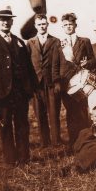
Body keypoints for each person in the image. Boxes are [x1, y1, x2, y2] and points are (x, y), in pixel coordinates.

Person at [0, 6, 37, 165]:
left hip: (20, 93)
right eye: (2, 19)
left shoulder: (19, 42)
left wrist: (31, 88)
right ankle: (10, 161)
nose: (5, 22)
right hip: (1, 93)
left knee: (22, 125)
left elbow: (28, 67)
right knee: (5, 127)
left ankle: (24, 159)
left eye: (8, 19)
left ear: (12, 21)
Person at [52, 13, 95, 151]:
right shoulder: (59, 43)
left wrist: (87, 63)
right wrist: (57, 82)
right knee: (71, 113)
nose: (68, 27)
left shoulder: (85, 41)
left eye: (70, 24)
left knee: (83, 111)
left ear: (75, 25)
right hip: (66, 84)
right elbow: (55, 65)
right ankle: (73, 143)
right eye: (65, 25)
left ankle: (86, 141)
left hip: (82, 81)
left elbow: (92, 60)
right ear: (62, 27)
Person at [26, 14, 62, 147]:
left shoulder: (55, 41)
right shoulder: (30, 42)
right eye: (39, 24)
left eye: (43, 24)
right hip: (36, 84)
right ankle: (44, 142)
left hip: (51, 82)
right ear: (35, 26)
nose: (42, 26)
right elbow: (28, 64)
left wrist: (57, 81)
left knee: (54, 112)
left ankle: (56, 140)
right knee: (40, 114)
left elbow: (58, 62)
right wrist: (30, 83)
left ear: (47, 25)